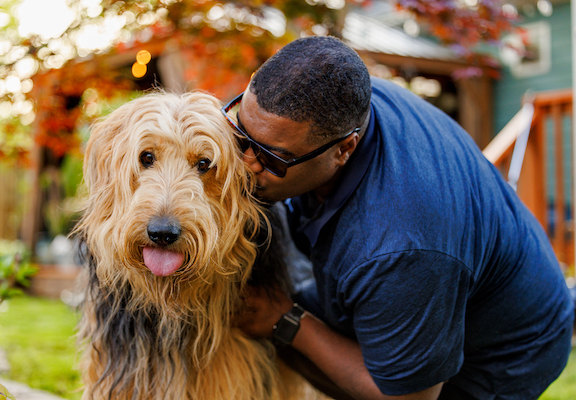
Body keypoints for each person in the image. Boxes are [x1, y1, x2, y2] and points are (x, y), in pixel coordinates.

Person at [223, 36, 574, 400]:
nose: (245, 164)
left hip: (509, 349)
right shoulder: (336, 99)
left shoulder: (399, 243)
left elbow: (408, 398)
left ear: (345, 148)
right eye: (239, 136)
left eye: (273, 158)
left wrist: (285, 320)